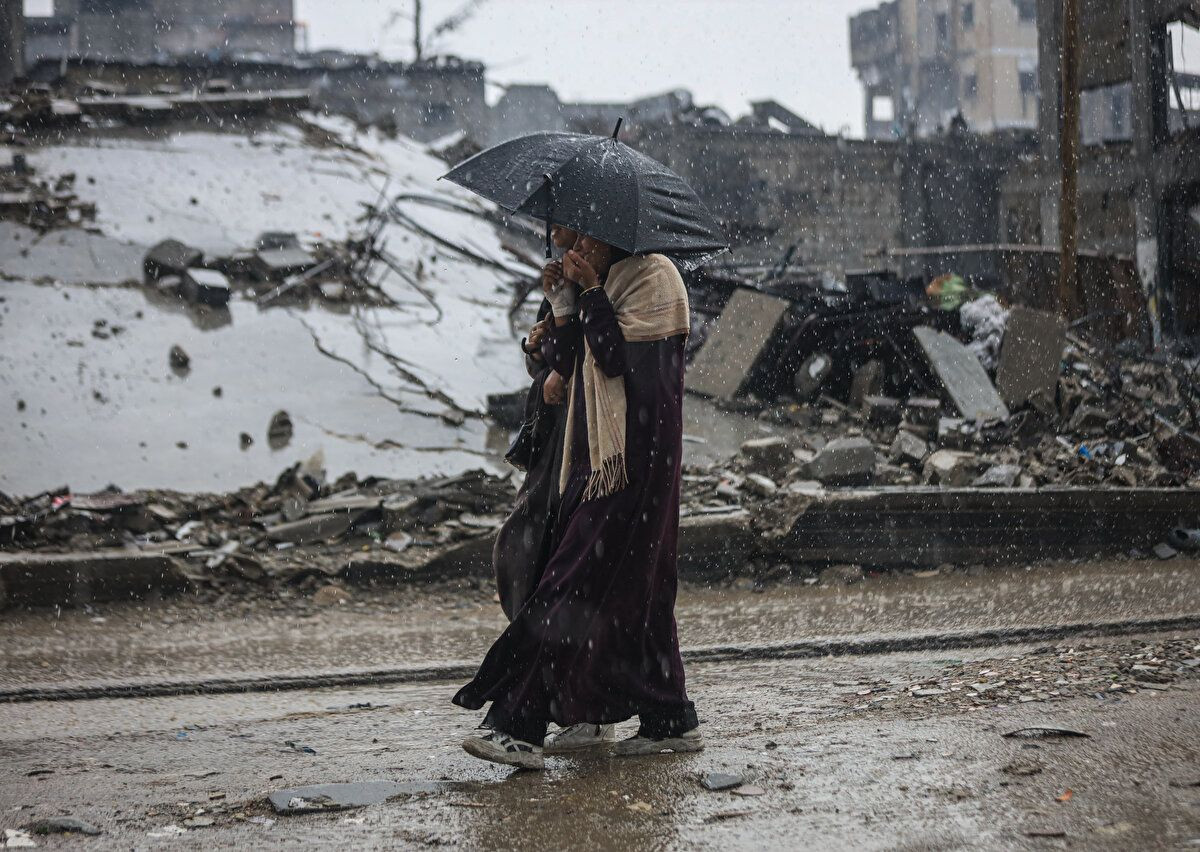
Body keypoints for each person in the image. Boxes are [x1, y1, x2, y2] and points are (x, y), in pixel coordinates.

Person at [453, 233, 701, 770]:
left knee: (567, 586)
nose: (578, 248)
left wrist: (589, 296)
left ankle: (518, 723)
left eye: (588, 240)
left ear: (615, 238)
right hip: (593, 457)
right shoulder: (605, 282)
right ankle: (669, 716)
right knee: (642, 592)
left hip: (634, 464)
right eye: (573, 239)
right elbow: (573, 370)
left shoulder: (655, 282)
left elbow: (618, 364)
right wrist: (563, 307)